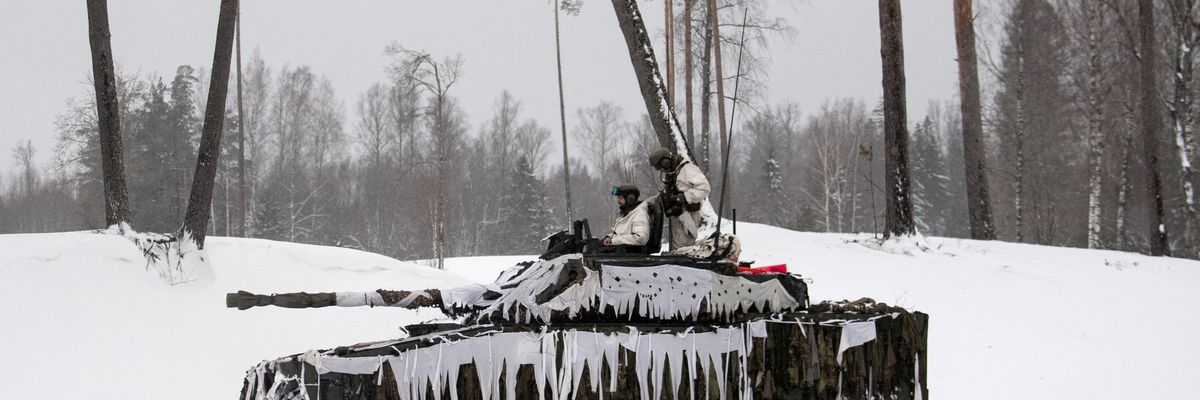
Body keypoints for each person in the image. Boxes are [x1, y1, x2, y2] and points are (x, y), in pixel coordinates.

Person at [648, 147, 710, 248]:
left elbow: (705, 188)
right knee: (677, 247)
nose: (661, 170)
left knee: (685, 246)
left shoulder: (687, 169)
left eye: (660, 166)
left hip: (689, 214)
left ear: (665, 161)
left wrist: (685, 197)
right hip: (677, 214)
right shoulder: (672, 173)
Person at [601, 184, 651, 251]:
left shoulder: (640, 214)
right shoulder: (627, 214)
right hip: (623, 251)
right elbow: (620, 234)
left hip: (632, 253)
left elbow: (640, 238)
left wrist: (614, 241)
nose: (618, 201)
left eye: (620, 198)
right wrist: (609, 238)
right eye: (618, 198)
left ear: (630, 198)